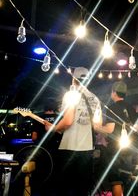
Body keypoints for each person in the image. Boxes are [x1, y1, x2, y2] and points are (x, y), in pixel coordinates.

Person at [45, 67, 102, 195]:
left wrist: (53, 128)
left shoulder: (71, 95)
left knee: (64, 188)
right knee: (82, 189)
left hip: (69, 147)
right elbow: (98, 125)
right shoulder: (95, 98)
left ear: (73, 79)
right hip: (88, 149)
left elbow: (68, 121)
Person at [95, 81, 137, 196]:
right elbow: (136, 128)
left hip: (115, 149)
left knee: (116, 181)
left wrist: (96, 127)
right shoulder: (131, 108)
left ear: (113, 93)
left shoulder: (112, 108)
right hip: (130, 147)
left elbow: (110, 129)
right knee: (127, 178)